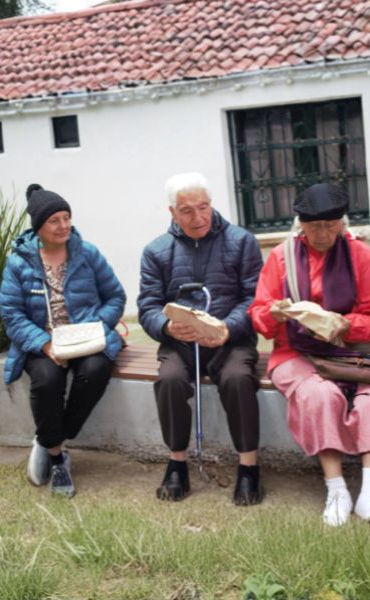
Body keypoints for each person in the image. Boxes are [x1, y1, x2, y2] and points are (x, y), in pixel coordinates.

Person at [248, 182, 370, 526]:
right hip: (296, 351)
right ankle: (337, 490)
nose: (323, 234)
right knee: (318, 395)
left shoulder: (360, 255)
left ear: (342, 224)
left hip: (355, 349)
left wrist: (342, 324)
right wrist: (274, 314)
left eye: (331, 226)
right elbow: (259, 315)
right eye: (314, 227)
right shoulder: (281, 257)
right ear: (301, 226)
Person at [137, 172, 264, 505]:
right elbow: (147, 305)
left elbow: (255, 298)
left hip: (230, 339)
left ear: (212, 204)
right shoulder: (156, 251)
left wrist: (227, 329)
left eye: (203, 207)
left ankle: (248, 466)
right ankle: (177, 462)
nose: (198, 217)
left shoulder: (241, 241)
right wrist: (167, 329)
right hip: (181, 342)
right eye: (187, 211)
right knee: (169, 380)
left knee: (238, 378)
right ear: (172, 213)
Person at [0, 184, 126, 497]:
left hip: (86, 338)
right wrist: (46, 345)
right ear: (39, 227)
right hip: (42, 341)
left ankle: (50, 438)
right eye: (54, 220)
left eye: (66, 217)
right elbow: (12, 316)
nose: (63, 225)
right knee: (47, 380)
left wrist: (96, 327)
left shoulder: (88, 254)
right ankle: (58, 460)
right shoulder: (18, 263)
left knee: (96, 371)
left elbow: (116, 296)